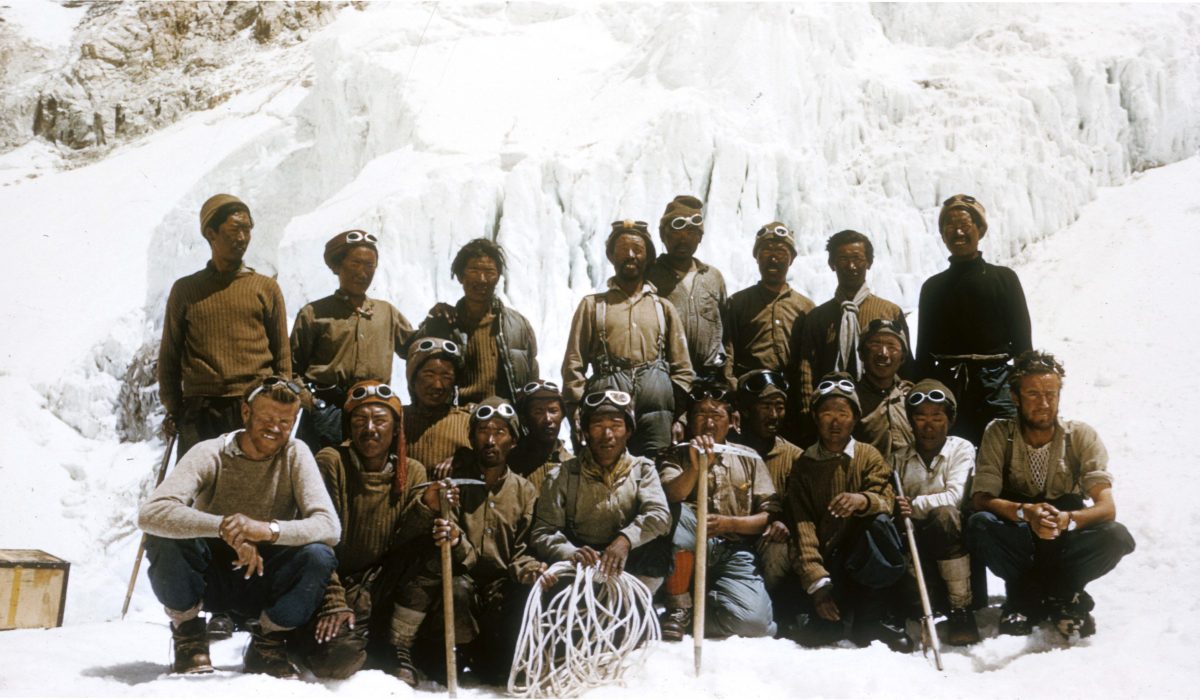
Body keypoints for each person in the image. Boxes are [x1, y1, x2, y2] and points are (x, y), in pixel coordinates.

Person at [137, 377, 339, 678]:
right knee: (164, 538)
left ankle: (268, 642)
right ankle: (189, 633)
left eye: (286, 421)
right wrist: (225, 529)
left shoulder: (296, 454)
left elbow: (328, 527)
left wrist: (266, 530)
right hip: (212, 572)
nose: (275, 428)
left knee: (318, 556)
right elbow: (151, 513)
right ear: (246, 413)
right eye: (267, 418)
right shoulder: (212, 451)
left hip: (264, 574)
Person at [969, 351, 1135, 637]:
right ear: (1015, 396)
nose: (1043, 403)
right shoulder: (999, 433)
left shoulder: (1080, 435)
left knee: (1115, 536)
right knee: (979, 525)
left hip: (1064, 533)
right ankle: (1023, 596)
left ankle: (1064, 593)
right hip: (1021, 532)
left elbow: (1106, 508)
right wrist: (1025, 513)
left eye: (1051, 393)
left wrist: (1066, 520)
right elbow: (981, 498)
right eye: (1033, 394)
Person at [388, 397, 543, 686]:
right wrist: (456, 538)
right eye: (484, 431)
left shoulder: (525, 491)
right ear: (471, 438)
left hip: (500, 587)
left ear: (513, 440)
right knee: (457, 590)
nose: (491, 440)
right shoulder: (454, 486)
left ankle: (491, 652)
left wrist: (528, 569)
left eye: (500, 432)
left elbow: (523, 550)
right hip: (463, 581)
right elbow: (454, 546)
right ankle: (445, 648)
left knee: (500, 667)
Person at [299, 380, 428, 680]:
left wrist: (428, 510)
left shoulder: (412, 471)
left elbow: (405, 541)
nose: (370, 428)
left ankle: (398, 643)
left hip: (381, 585)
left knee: (431, 546)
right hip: (338, 584)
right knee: (336, 663)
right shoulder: (331, 463)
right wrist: (334, 601)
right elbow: (318, 539)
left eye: (380, 420)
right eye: (360, 420)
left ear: (396, 428)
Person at [158, 194, 290, 460]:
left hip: (255, 407)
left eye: (247, 230)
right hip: (200, 412)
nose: (242, 238)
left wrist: (282, 403)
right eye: (233, 230)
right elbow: (170, 355)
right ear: (211, 233)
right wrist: (174, 410)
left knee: (254, 490)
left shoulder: (266, 288)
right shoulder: (186, 290)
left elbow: (282, 355)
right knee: (200, 490)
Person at [786, 372, 910, 651]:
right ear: (816, 418)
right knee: (819, 633)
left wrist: (861, 500)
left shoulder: (868, 455)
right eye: (827, 413)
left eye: (843, 413)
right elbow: (802, 527)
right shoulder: (804, 466)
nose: (835, 421)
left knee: (877, 524)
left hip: (865, 557)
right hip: (831, 563)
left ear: (854, 418)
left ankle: (873, 618)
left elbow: (886, 500)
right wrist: (818, 587)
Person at [657, 380, 780, 641]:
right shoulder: (674, 455)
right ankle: (679, 608)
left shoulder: (749, 457)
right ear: (689, 420)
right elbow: (672, 494)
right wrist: (696, 466)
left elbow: (768, 515)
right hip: (687, 545)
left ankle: (701, 613)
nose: (709, 424)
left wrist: (730, 524)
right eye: (701, 415)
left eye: (716, 416)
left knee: (755, 625)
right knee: (675, 515)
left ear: (732, 420)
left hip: (732, 549)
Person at [561, 220, 695, 457]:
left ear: (648, 257)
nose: (630, 255)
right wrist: (576, 411)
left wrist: (680, 417)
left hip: (658, 413)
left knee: (657, 473)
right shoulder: (593, 306)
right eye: (623, 250)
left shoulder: (663, 308)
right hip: (608, 411)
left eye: (638, 250)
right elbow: (574, 365)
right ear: (611, 256)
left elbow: (683, 369)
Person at [916, 194, 1032, 446]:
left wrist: (1025, 391)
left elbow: (1023, 344)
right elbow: (924, 352)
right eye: (950, 226)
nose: (958, 232)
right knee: (956, 455)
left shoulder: (1004, 278)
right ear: (942, 234)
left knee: (1006, 449)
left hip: (998, 382)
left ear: (980, 230)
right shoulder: (932, 288)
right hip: (949, 386)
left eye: (965, 225)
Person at [533, 389, 672, 592]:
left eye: (616, 426)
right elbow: (543, 533)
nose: (608, 435)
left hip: (629, 558)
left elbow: (659, 515)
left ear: (628, 431)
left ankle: (637, 604)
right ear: (586, 432)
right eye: (598, 426)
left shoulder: (643, 469)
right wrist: (570, 553)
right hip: (583, 563)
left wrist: (625, 540)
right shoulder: (562, 475)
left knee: (658, 550)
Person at [291, 230, 414, 453]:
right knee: (323, 473)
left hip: (374, 410)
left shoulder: (387, 312)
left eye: (370, 265)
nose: (363, 272)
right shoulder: (314, 313)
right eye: (356, 263)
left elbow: (416, 351)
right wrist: (308, 401)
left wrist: (437, 319)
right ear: (337, 266)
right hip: (327, 412)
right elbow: (290, 367)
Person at [793, 230, 910, 444]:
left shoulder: (889, 311)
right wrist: (808, 411)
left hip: (878, 410)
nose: (852, 266)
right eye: (843, 259)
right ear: (832, 264)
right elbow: (806, 367)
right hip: (832, 413)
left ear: (869, 263)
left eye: (858, 259)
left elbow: (905, 360)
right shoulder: (818, 317)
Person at [890, 379, 980, 644]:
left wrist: (913, 505)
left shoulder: (961, 449)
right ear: (910, 421)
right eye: (920, 417)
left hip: (950, 536)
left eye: (937, 417)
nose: (928, 426)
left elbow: (954, 497)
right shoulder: (898, 458)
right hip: (914, 540)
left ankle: (960, 608)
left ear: (949, 420)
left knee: (944, 514)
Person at [416, 238, 539, 404]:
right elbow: (415, 361)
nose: (482, 279)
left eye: (490, 272)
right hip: (457, 420)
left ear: (498, 278)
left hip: (504, 421)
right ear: (460, 276)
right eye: (474, 270)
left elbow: (531, 381)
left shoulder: (518, 326)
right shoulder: (444, 324)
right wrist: (431, 323)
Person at [730, 369, 804, 622]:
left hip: (767, 544)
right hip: (730, 543)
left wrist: (785, 523)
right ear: (747, 410)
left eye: (779, 406)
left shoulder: (795, 457)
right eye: (765, 406)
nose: (774, 415)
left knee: (780, 545)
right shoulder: (727, 449)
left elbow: (804, 509)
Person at [645, 195, 728, 376]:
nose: (684, 238)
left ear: (700, 237)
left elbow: (725, 330)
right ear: (662, 235)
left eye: (692, 232)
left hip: (709, 378)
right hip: (665, 376)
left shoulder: (713, 278)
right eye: (676, 232)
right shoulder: (649, 276)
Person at [723, 222, 814, 385]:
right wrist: (732, 387)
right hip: (750, 390)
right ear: (756, 257)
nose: (773, 258)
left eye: (781, 251)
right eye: (766, 250)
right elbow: (728, 351)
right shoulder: (737, 303)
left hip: (791, 392)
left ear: (791, 259)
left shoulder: (805, 307)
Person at [403, 337, 472, 469]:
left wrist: (465, 459)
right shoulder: (396, 420)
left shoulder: (467, 423)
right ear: (412, 378)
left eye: (447, 377)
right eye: (429, 375)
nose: (437, 385)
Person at [853, 319, 914, 459]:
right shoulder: (850, 401)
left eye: (892, 347)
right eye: (875, 345)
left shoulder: (912, 398)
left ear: (903, 358)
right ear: (861, 354)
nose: (884, 353)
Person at [507, 379, 572, 491]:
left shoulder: (573, 466)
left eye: (553, 410)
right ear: (524, 419)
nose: (547, 419)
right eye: (538, 412)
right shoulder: (509, 465)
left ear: (562, 415)